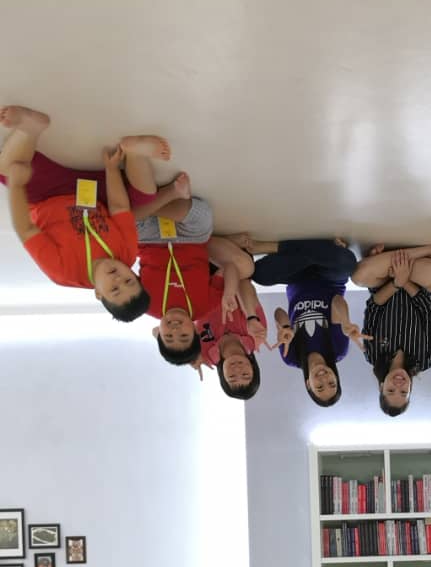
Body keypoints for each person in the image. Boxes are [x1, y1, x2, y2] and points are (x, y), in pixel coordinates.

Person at [0, 104, 168, 320]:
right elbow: (119, 207)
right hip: (96, 193)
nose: (118, 279)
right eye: (129, 280)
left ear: (98, 294)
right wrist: (111, 169)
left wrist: (16, 184)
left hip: (49, 194)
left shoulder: (62, 272)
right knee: (145, 197)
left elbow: (26, 229)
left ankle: (30, 128)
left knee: (7, 170)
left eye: (114, 290)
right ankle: (134, 152)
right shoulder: (127, 254)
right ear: (134, 274)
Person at [135, 177, 255, 365]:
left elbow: (123, 273)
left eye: (168, 337)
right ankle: (154, 203)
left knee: (125, 220)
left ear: (160, 333)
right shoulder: (204, 307)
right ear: (194, 330)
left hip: (148, 240)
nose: (175, 330)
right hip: (190, 239)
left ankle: (152, 205)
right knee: (202, 214)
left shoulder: (144, 305)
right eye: (183, 336)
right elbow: (230, 267)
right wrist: (229, 292)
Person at [249, 238, 366, 406]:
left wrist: (285, 327)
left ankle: (323, 251)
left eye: (319, 387)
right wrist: (346, 322)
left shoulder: (291, 357)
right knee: (347, 263)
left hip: (297, 277)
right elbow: (337, 301)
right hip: (330, 278)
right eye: (331, 383)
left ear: (308, 385)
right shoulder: (338, 351)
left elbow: (279, 312)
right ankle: (284, 248)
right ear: (336, 377)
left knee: (259, 274)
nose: (324, 379)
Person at [352, 243, 431, 415]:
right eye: (403, 392)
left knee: (359, 276)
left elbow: (374, 306)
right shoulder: (425, 360)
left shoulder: (373, 355)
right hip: (416, 281)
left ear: (382, 386)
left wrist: (396, 283)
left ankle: (414, 255)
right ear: (410, 389)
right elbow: (428, 312)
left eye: (391, 390)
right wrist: (404, 280)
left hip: (384, 280)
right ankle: (408, 256)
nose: (398, 385)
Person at [195, 277, 268, 400]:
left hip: (197, 281)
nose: (237, 369)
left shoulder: (203, 354)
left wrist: (187, 353)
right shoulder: (257, 334)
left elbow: (161, 329)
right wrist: (251, 317)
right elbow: (244, 283)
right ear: (253, 368)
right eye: (245, 374)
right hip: (232, 273)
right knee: (246, 267)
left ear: (222, 376)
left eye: (232, 377)